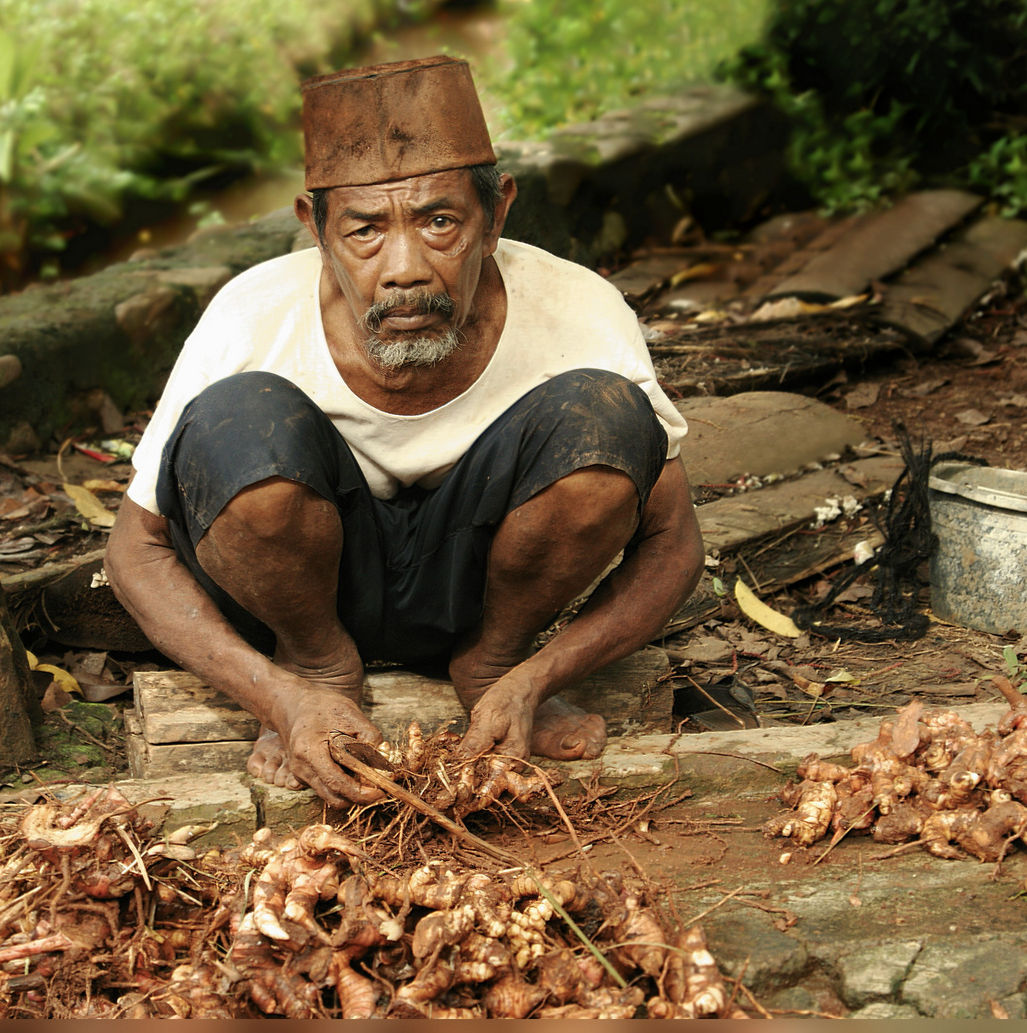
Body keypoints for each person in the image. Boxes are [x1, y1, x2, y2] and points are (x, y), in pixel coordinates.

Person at [105, 56, 704, 807]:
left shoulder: (576, 309)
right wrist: (277, 696)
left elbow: (674, 542)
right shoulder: (253, 314)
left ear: (497, 214)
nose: (404, 269)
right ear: (314, 228)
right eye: (363, 230)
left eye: (439, 221)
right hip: (310, 603)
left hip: (486, 597)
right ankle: (318, 671)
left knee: (602, 416)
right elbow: (134, 549)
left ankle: (490, 668)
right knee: (242, 421)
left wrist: (539, 675)